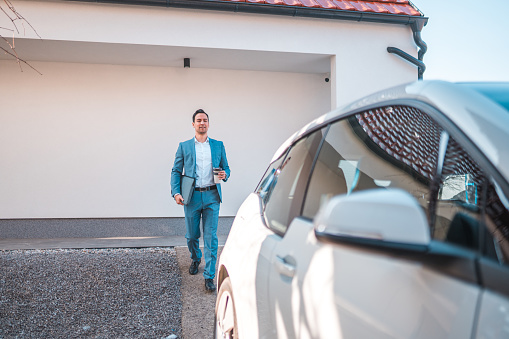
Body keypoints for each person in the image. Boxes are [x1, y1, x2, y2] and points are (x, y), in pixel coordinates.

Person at [170, 109, 230, 292]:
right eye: (198, 120)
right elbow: (175, 171)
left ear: (208, 124)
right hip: (191, 197)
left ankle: (209, 276)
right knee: (192, 235)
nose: (202, 123)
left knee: (211, 237)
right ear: (193, 124)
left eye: (205, 120)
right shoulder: (184, 146)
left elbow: (226, 168)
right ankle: (195, 258)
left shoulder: (218, 145)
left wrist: (225, 174)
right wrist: (176, 192)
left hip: (212, 196)